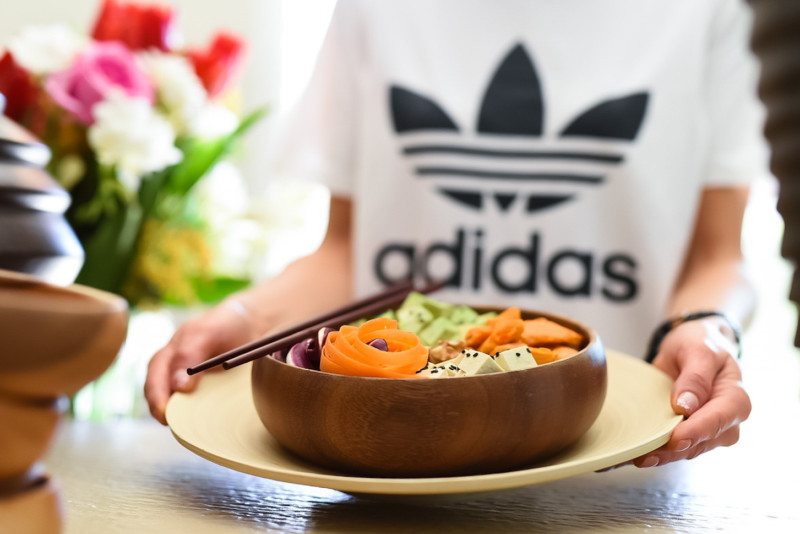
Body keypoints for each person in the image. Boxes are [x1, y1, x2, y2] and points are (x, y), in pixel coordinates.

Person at [146, 0, 765, 469]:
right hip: (392, 458)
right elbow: (344, 254)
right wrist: (250, 317)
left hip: (614, 464)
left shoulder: (712, 12)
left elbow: (718, 256)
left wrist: (707, 326)